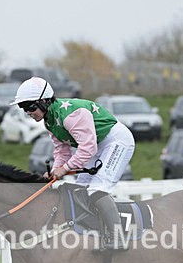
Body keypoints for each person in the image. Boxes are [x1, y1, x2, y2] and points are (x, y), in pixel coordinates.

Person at [11, 76, 135, 251]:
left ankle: (117, 237)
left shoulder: (71, 115)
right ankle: (94, 233)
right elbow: (62, 151)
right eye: (23, 108)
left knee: (97, 189)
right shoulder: (49, 121)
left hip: (116, 141)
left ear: (44, 101)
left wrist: (65, 168)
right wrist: (55, 170)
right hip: (97, 145)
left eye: (30, 107)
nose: (28, 112)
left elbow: (88, 148)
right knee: (80, 190)